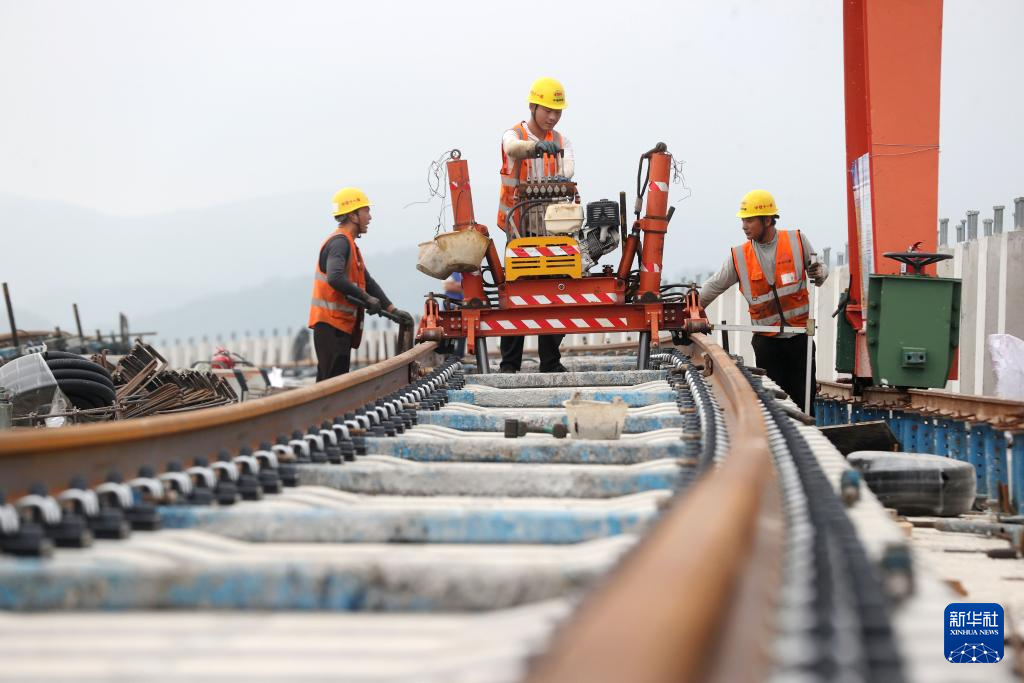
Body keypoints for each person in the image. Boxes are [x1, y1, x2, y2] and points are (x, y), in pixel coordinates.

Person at [699, 189, 828, 412]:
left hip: (799, 339)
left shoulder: (796, 241)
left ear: (767, 220)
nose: (744, 226)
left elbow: (820, 269)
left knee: (803, 402)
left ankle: (806, 431)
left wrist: (821, 272)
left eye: (749, 220)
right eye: (743, 220)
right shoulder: (740, 256)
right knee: (774, 405)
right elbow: (714, 285)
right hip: (767, 343)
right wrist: (688, 308)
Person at [495, 76, 576, 373]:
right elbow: (512, 148)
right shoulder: (514, 134)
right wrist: (535, 148)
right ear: (533, 107)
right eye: (547, 110)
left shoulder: (562, 142)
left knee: (555, 290)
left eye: (557, 111)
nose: (552, 117)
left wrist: (560, 169)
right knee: (517, 292)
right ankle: (509, 364)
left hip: (553, 229)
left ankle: (551, 362)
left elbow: (568, 168)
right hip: (518, 228)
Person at [308, 187, 412, 381]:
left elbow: (368, 282)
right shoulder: (339, 243)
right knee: (331, 384)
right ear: (353, 215)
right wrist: (366, 298)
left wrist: (392, 309)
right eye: (366, 211)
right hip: (331, 325)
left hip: (339, 326)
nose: (370, 217)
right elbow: (335, 277)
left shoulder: (350, 246)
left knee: (336, 383)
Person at [443, 272, 466, 358]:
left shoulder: (463, 273)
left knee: (463, 330)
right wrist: (464, 287)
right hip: (450, 307)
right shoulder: (449, 272)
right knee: (449, 331)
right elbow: (448, 286)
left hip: (463, 307)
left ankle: (459, 356)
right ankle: (448, 355)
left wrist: (457, 285)